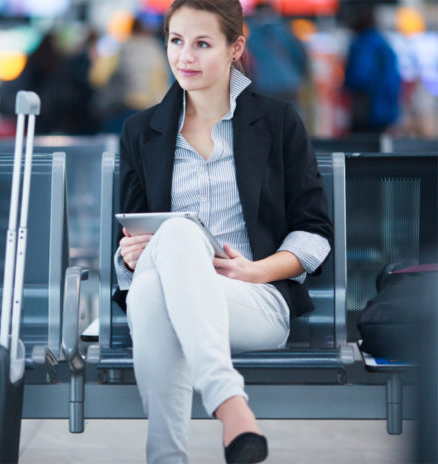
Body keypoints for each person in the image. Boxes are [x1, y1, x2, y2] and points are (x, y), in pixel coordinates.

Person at [113, 0, 332, 462]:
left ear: (235, 48)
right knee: (163, 260)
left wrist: (254, 272)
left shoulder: (276, 122)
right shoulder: (141, 131)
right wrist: (130, 253)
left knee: (155, 285)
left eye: (202, 44)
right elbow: (130, 236)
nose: (184, 57)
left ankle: (209, 417)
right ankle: (231, 409)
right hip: (167, 290)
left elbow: (313, 233)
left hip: (253, 299)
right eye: (175, 41)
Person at [343, 6, 401, 133]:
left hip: (368, 106)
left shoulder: (362, 43)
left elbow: (359, 75)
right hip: (385, 107)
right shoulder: (382, 42)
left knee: (362, 146)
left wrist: (347, 87)